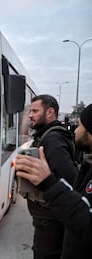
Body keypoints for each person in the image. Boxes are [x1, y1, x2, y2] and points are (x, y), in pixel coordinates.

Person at [15, 103, 92, 259]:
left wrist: (48, 182)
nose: (30, 115)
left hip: (49, 218)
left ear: (50, 112)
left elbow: (70, 181)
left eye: (35, 111)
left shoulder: (53, 139)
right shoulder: (47, 135)